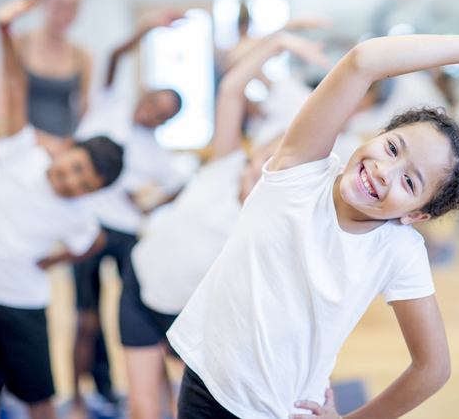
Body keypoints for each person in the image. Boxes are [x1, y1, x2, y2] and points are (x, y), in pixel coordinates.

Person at [167, 34, 459, 418]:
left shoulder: (400, 250)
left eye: (410, 182)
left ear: (417, 215)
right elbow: (363, 61)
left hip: (283, 409)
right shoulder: (299, 173)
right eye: (392, 147)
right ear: (379, 134)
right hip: (205, 384)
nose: (383, 171)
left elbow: (433, 367)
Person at [123, 33, 329, 419]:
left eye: (280, 171)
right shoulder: (225, 165)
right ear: (255, 153)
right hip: (139, 283)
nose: (267, 172)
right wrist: (279, 42)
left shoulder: (272, 223)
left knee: (187, 407)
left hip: (186, 313)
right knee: (142, 409)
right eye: (267, 159)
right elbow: (232, 89)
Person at [0, 0, 124, 419]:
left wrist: (53, 261)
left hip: (24, 307)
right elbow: (16, 84)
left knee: (39, 401)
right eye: (76, 168)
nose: (73, 182)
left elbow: (93, 240)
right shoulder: (23, 148)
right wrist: (5, 29)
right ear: (66, 148)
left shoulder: (78, 214)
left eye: (86, 184)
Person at [70, 9, 187, 416]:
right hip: (84, 225)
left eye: (163, 114)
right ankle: (83, 396)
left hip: (125, 235)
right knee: (85, 320)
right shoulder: (110, 106)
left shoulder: (157, 154)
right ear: (146, 92)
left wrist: (148, 202)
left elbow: (179, 186)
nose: (152, 112)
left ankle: (162, 394)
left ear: (165, 122)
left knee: (145, 315)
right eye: (154, 102)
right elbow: (114, 57)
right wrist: (146, 28)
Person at [0, 0, 92, 138]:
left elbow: (86, 117)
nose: (65, 15)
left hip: (64, 153)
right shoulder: (18, 45)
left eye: (73, 7)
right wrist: (46, 144)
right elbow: (0, 114)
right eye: (59, 6)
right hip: (22, 147)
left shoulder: (83, 55)